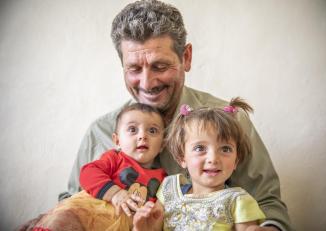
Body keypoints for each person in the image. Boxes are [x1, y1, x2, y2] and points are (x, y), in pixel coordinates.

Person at [19, 0, 293, 230]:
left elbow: (268, 204)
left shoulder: (229, 121)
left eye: (160, 66)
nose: (147, 83)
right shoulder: (100, 132)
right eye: (134, 68)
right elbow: (73, 203)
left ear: (186, 57)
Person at [133, 98, 267, 231]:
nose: (213, 159)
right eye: (200, 148)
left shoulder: (238, 201)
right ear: (182, 157)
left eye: (225, 149)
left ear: (236, 160)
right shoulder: (169, 190)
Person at [32, 103, 167, 231]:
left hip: (124, 226)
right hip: (90, 213)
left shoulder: (163, 179)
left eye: (152, 130)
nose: (142, 136)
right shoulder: (115, 158)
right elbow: (88, 173)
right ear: (117, 140)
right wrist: (115, 193)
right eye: (132, 129)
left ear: (162, 144)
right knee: (63, 220)